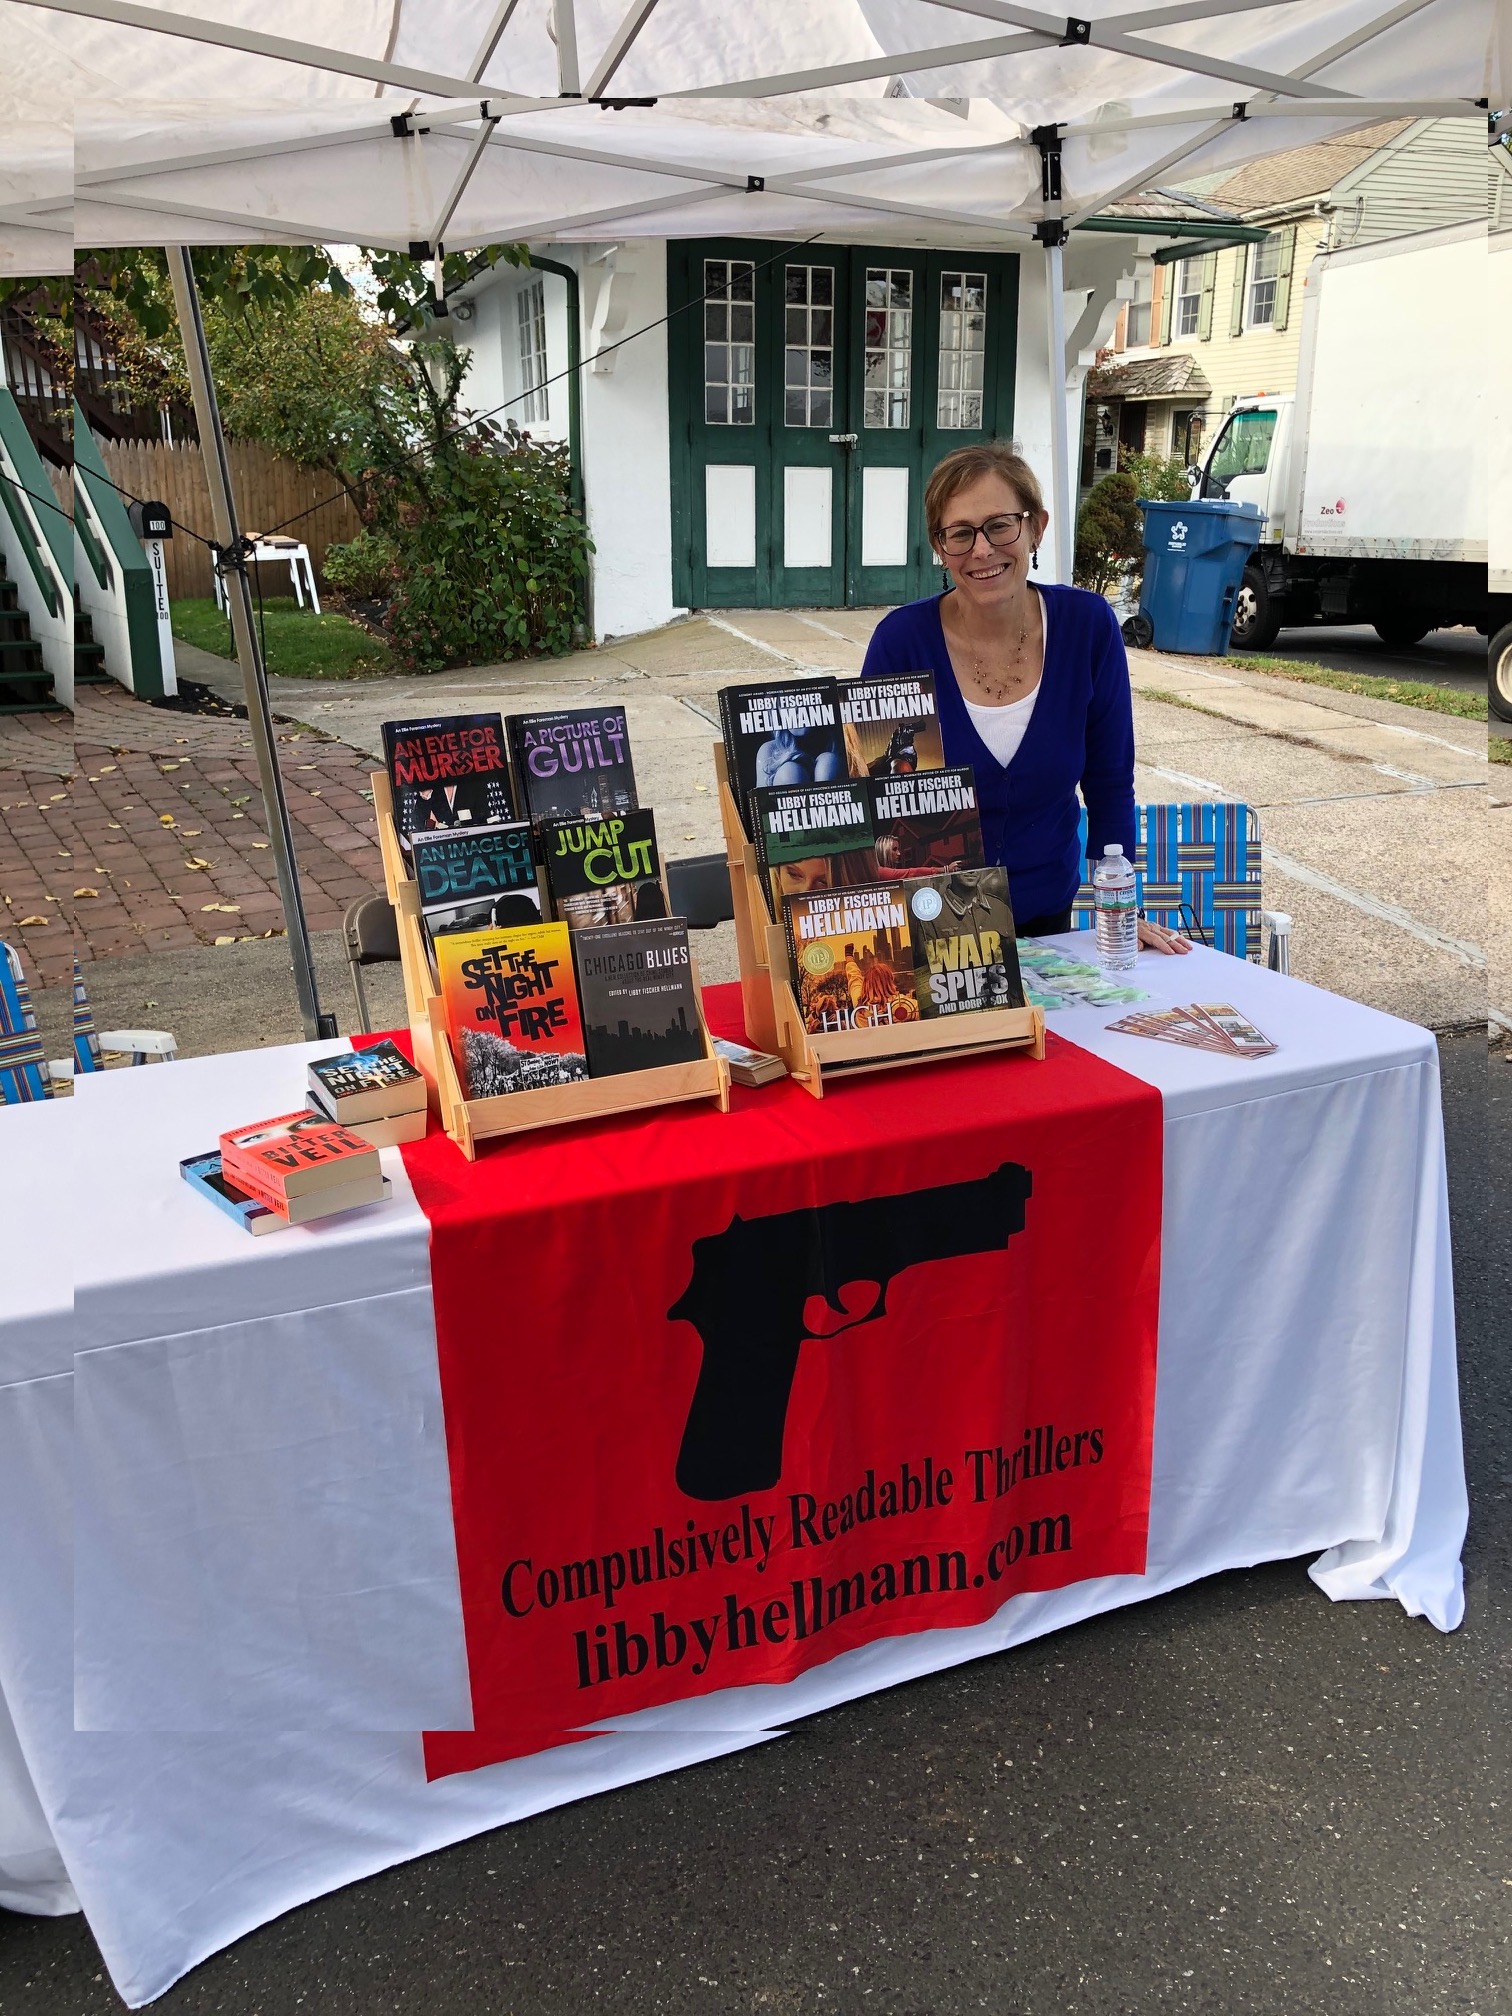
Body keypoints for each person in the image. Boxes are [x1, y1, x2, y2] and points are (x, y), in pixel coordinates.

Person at [858, 441, 1190, 952]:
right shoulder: (901, 643)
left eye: (1000, 525)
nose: (982, 550)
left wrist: (1122, 912)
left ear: (1037, 526)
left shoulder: (1087, 628)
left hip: (1046, 921)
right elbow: (873, 800)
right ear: (939, 547)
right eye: (960, 534)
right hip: (933, 929)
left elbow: (1108, 784)